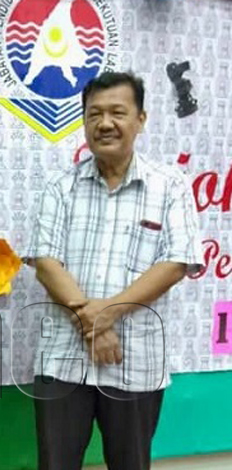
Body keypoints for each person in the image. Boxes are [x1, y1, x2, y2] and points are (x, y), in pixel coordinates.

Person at [29, 71, 203, 470]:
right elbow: (45, 262)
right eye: (94, 114)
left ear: (140, 119)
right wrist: (96, 325)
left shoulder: (170, 186)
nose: (105, 123)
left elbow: (175, 263)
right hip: (62, 360)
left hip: (135, 363)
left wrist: (107, 314)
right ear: (84, 120)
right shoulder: (60, 186)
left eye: (117, 112)